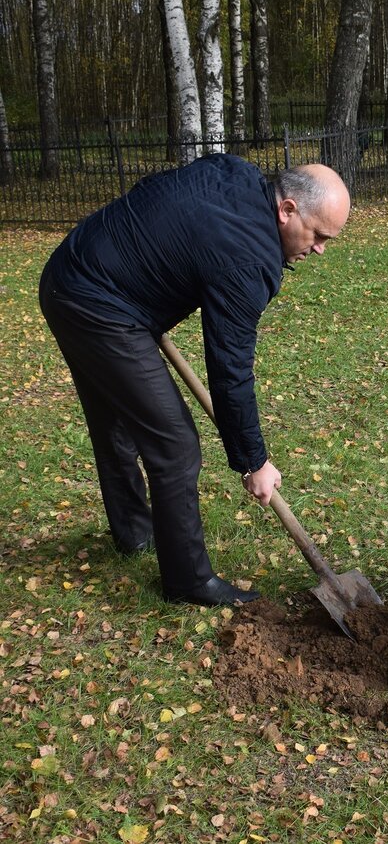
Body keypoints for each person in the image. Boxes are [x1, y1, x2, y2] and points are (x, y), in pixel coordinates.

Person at [39, 154, 350, 606]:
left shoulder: (238, 172)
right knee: (176, 446)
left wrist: (143, 280)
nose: (320, 248)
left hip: (71, 272)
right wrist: (253, 461)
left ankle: (133, 534)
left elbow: (158, 194)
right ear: (287, 209)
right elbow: (229, 370)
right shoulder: (250, 260)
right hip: (97, 306)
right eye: (318, 235)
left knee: (117, 419)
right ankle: (187, 581)